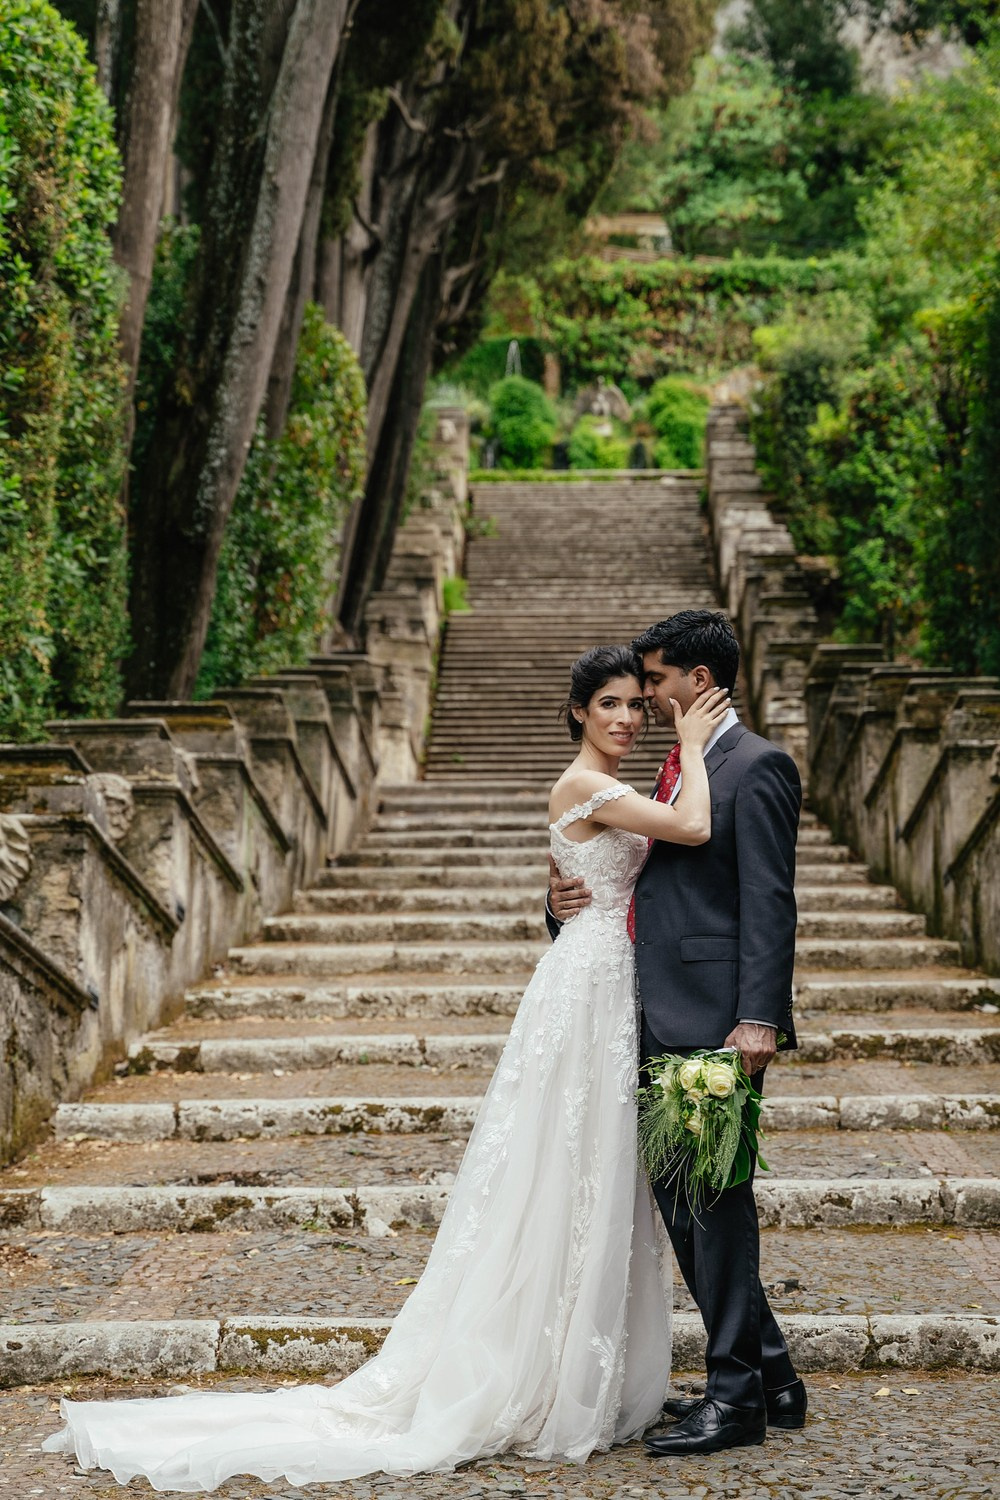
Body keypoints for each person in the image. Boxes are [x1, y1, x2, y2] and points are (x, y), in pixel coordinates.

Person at [43, 645, 730, 1494]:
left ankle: (598, 1367)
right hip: (589, 991)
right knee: (564, 1170)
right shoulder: (581, 784)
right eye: (610, 707)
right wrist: (694, 747)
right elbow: (694, 828)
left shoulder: (604, 791)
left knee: (602, 1174)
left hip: (609, 978)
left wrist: (560, 894)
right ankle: (536, 1372)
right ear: (579, 713)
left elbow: (629, 872)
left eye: (636, 705)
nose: (627, 719)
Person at [548, 611, 807, 1458]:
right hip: (649, 1010)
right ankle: (770, 1373)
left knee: (715, 1204)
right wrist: (556, 908)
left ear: (699, 680)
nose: (646, 697)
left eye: (656, 681)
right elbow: (627, 880)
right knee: (684, 1204)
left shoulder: (756, 765)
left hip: (717, 1020)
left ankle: (736, 1401)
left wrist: (760, 1015)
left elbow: (769, 900)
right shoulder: (674, 766)